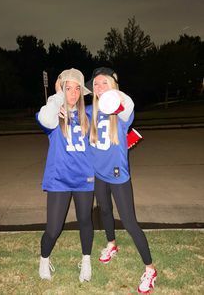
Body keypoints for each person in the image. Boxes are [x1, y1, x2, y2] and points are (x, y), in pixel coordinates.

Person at [87, 67, 157, 294]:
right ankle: (111, 244)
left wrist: (114, 92)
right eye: (95, 84)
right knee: (104, 211)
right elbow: (70, 108)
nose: (98, 88)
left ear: (113, 85)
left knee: (129, 222)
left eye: (103, 83)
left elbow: (129, 104)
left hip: (118, 177)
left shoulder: (122, 111)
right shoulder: (91, 111)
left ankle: (150, 269)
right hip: (99, 174)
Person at [36, 68, 94, 282]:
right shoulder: (53, 113)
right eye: (68, 88)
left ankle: (86, 261)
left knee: (85, 220)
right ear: (61, 89)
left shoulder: (88, 113)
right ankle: (44, 259)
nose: (73, 93)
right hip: (59, 178)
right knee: (53, 228)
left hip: (84, 178)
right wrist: (57, 96)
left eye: (77, 88)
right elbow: (44, 118)